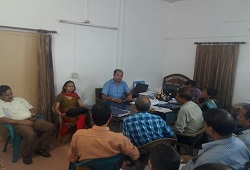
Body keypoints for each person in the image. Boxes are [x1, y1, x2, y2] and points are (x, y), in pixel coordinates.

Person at [68, 102, 140, 168]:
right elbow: (135, 156)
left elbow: (72, 158)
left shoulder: (78, 135)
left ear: (92, 117)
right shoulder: (121, 139)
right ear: (110, 117)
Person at [0, 85, 55, 165]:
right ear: (1, 95)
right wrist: (23, 122)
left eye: (11, 93)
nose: (11, 96)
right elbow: (2, 119)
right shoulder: (1, 104)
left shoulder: (20, 99)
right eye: (7, 95)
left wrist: (33, 115)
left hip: (32, 119)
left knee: (50, 127)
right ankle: (26, 155)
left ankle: (40, 148)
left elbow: (31, 108)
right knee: (30, 134)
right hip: (18, 123)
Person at [181, 108, 250, 170]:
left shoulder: (207, 159)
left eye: (204, 123)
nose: (203, 126)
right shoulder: (240, 144)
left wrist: (196, 162)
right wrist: (194, 160)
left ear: (211, 130)